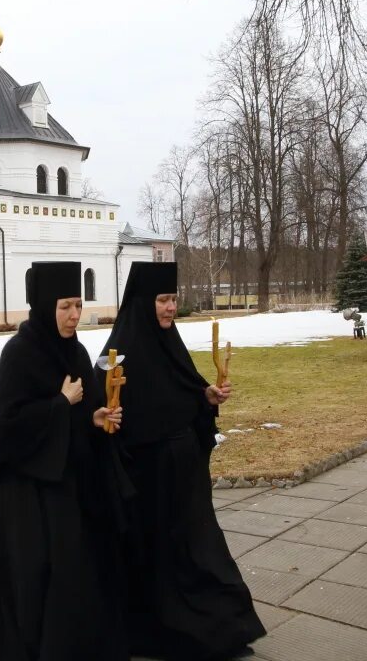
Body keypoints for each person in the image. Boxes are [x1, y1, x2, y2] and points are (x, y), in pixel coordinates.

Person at [100, 261, 265, 661]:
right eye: (162, 300)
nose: (170, 308)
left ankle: (219, 626)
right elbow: (105, 413)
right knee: (157, 554)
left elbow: (185, 391)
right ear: (142, 303)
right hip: (148, 478)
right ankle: (165, 630)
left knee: (200, 546)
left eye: (173, 299)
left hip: (184, 472)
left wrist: (206, 397)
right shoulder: (118, 354)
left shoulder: (169, 344)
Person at [0, 261, 129, 661]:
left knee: (75, 581)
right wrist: (59, 404)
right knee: (38, 585)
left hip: (70, 489)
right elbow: (5, 429)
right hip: (30, 497)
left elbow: (81, 415)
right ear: (46, 304)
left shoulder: (76, 350)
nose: (74, 315)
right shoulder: (19, 352)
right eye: (65, 306)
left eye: (79, 305)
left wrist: (94, 417)